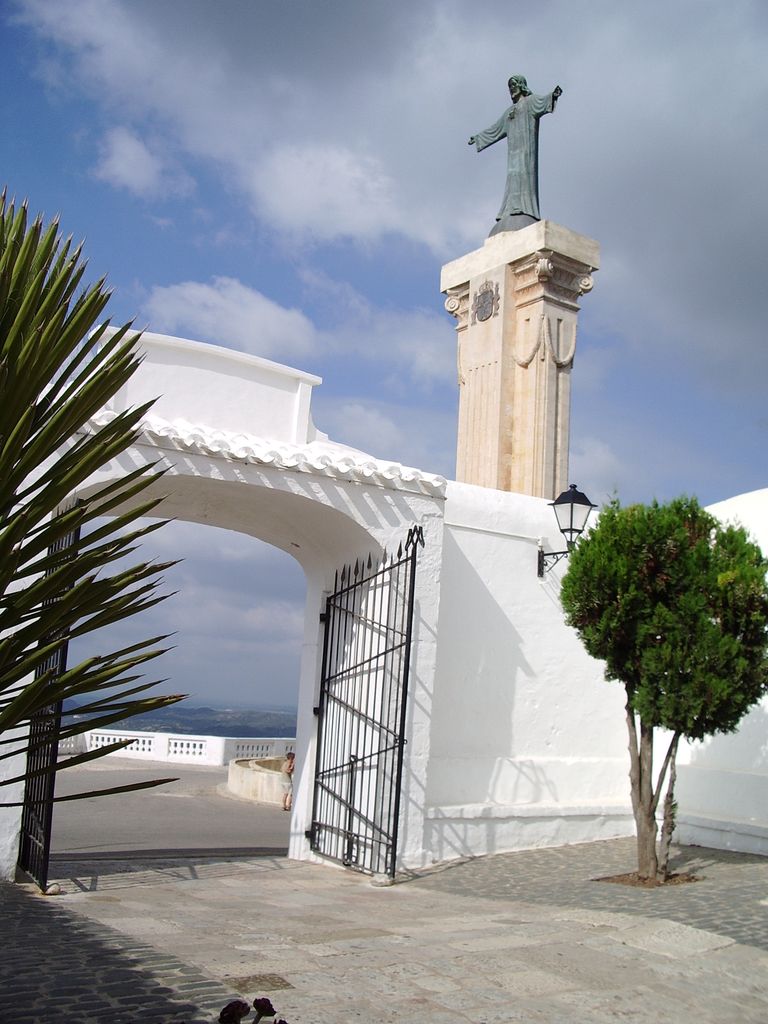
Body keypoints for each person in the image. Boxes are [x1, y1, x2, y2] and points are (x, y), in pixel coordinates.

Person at [469, 75, 562, 226]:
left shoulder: (529, 102)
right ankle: (509, 209)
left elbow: (543, 101)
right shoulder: (509, 113)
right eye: (509, 86)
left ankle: (526, 208)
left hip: (526, 149)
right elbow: (496, 129)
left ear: (521, 85)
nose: (511, 89)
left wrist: (553, 95)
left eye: (513, 85)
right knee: (513, 177)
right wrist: (478, 138)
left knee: (525, 175)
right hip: (513, 153)